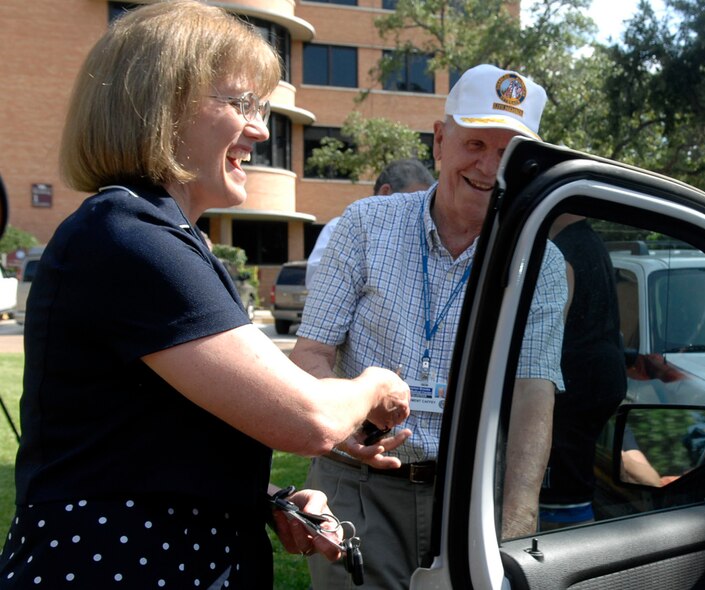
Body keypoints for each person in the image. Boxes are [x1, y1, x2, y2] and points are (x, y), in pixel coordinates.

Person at [0, 2, 409, 588]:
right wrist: (377, 386)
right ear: (159, 106)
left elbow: (152, 440)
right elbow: (309, 419)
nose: (262, 129)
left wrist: (266, 496)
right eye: (241, 104)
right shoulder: (129, 236)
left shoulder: (149, 234)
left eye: (261, 108)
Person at [290, 63, 567, 588]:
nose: (489, 167)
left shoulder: (541, 261)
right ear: (441, 141)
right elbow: (311, 355)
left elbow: (534, 395)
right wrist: (344, 432)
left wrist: (515, 526)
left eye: (509, 153)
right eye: (476, 144)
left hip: (468, 497)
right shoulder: (364, 225)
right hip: (358, 485)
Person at [538, 215, 627, 530]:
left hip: (571, 391)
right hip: (594, 381)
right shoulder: (589, 242)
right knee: (575, 484)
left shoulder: (563, 252)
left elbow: (544, 341)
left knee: (559, 497)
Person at [305, 158, 435, 290]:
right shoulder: (341, 228)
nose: (419, 212)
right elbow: (319, 285)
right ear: (385, 193)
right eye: (412, 202)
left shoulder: (420, 239)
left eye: (424, 204)